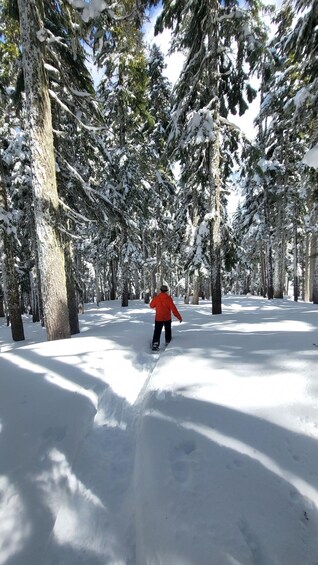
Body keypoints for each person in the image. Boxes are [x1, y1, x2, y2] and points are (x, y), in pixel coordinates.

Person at [150, 285, 182, 351]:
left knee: (157, 332)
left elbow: (151, 305)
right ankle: (168, 343)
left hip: (158, 318)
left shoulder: (157, 298)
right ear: (166, 291)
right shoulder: (169, 299)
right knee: (168, 331)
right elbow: (174, 310)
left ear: (161, 290)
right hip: (167, 318)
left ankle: (155, 344)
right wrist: (179, 317)